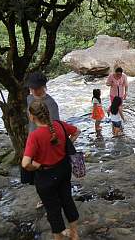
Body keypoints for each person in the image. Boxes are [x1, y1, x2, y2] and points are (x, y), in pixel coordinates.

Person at [22, 101, 80, 240]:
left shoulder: (35, 136)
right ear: (47, 113)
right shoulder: (59, 125)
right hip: (64, 169)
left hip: (46, 176)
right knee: (67, 200)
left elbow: (25, 164)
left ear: (31, 117)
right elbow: (77, 131)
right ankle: (74, 234)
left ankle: (58, 238)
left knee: (53, 209)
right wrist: (68, 144)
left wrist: (35, 166)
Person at [23, 71, 60, 209]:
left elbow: (56, 127)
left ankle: (52, 198)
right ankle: (44, 198)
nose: (34, 90)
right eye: (32, 88)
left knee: (48, 172)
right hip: (33, 140)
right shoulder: (29, 99)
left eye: (37, 88)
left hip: (46, 142)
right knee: (37, 175)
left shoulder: (51, 104)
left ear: (44, 86)